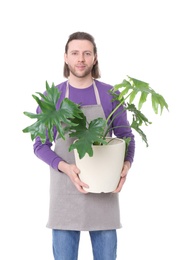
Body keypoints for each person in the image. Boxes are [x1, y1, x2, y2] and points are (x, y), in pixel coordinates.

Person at [33, 31, 135, 260]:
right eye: (75, 53)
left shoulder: (111, 95)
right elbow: (40, 144)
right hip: (65, 192)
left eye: (87, 53)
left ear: (95, 58)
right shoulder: (53, 97)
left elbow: (125, 136)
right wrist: (66, 168)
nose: (81, 59)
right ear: (66, 57)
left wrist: (126, 166)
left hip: (104, 191)